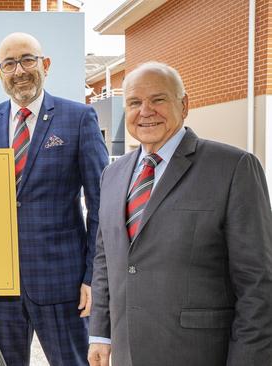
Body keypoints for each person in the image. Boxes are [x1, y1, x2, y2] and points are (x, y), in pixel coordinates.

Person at [88, 62, 272, 366]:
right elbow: (105, 258)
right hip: (128, 354)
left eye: (158, 99)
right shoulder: (112, 174)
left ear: (184, 105)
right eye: (134, 102)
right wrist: (101, 333)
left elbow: (258, 285)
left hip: (198, 354)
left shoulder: (233, 168)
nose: (145, 111)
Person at [0, 32, 108, 365]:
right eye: (9, 63)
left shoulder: (79, 119)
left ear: (45, 65)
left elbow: (100, 205)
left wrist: (91, 277)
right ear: (0, 74)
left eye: (27, 60)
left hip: (62, 283)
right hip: (1, 284)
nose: (19, 70)